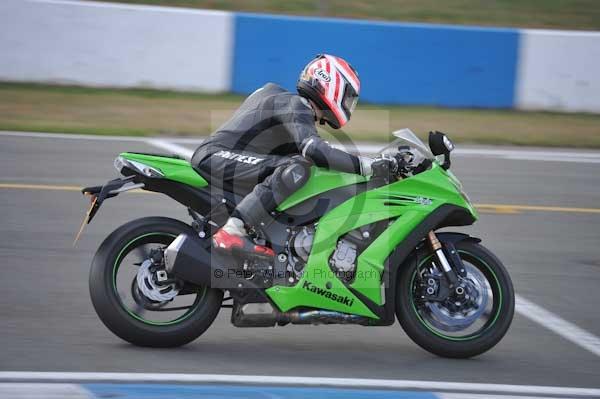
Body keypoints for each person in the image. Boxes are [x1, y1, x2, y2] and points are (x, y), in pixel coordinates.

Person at [192, 54, 382, 258]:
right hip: (217, 155)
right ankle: (233, 232)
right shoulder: (295, 103)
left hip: (225, 157)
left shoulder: (288, 105)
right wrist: (368, 166)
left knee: (302, 167)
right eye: (347, 97)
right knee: (296, 168)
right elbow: (315, 150)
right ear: (330, 83)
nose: (348, 104)